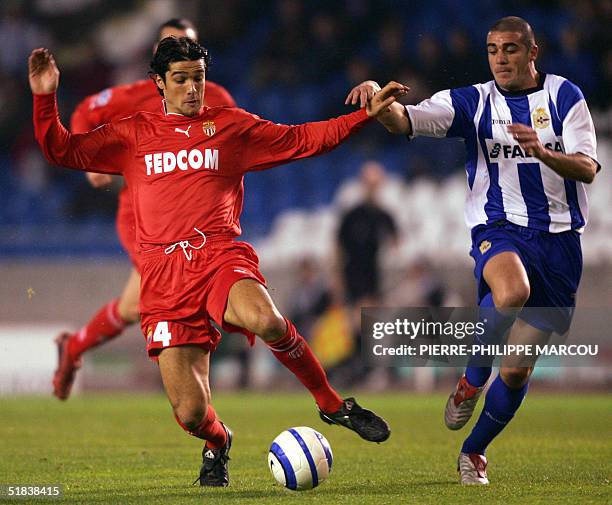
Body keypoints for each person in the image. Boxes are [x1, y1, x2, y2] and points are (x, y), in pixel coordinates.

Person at [30, 38, 406, 486]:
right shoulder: (132, 133)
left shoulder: (230, 127)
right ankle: (218, 440)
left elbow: (304, 140)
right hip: (164, 280)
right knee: (190, 413)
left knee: (265, 319)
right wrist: (44, 97)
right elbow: (60, 149)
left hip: (218, 256)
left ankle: (331, 404)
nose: (192, 88)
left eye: (199, 78)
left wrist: (363, 116)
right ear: (159, 83)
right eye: (181, 79)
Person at [348, 16, 599, 484]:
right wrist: (380, 105)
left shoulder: (566, 97)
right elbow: (408, 120)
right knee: (510, 292)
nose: (500, 58)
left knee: (519, 369)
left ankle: (473, 452)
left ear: (532, 52)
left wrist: (545, 154)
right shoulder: (474, 101)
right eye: (492, 50)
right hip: (498, 227)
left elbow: (587, 168)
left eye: (510, 49)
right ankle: (469, 380)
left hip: (561, 244)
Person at [52, 19, 236, 401]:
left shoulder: (217, 97)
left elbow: (230, 152)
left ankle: (74, 348)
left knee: (132, 306)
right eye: (172, 45)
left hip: (192, 224)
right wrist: (92, 165)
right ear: (158, 57)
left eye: (190, 45)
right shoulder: (133, 96)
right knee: (168, 295)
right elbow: (86, 110)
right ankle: (187, 386)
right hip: (141, 218)